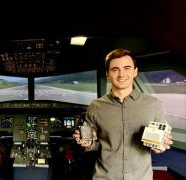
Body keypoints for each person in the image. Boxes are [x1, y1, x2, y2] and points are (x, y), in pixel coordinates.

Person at [73, 49, 173, 180]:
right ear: (108, 74)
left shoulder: (153, 105)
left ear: (135, 71)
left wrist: (161, 146)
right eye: (115, 69)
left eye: (127, 68)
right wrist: (86, 143)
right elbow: (92, 143)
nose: (121, 74)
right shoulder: (95, 106)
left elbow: (160, 143)